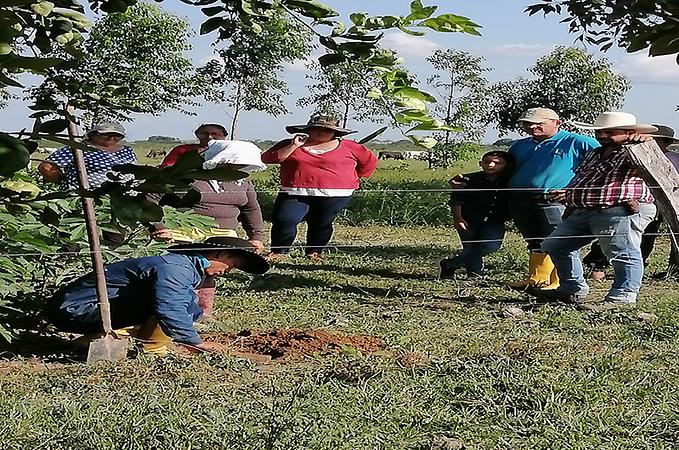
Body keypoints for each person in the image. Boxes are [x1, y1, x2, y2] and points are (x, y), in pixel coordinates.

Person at [45, 237, 270, 355]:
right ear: (221, 254)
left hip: (85, 307)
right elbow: (169, 306)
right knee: (173, 303)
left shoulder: (184, 267)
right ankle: (153, 349)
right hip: (75, 310)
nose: (228, 270)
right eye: (233, 264)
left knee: (189, 305)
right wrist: (197, 342)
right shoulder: (176, 267)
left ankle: (109, 338)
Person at [534, 112, 657, 308]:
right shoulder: (596, 152)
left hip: (619, 209)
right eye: (599, 131)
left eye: (609, 132)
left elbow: (653, 163)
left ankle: (623, 298)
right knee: (555, 245)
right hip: (585, 209)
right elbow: (584, 177)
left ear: (629, 133)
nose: (602, 135)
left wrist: (644, 143)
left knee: (622, 252)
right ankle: (571, 289)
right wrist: (571, 199)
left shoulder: (636, 149)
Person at [153, 139, 267, 319]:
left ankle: (202, 311)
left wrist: (256, 236)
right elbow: (149, 198)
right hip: (185, 231)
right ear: (219, 159)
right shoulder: (184, 175)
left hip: (223, 236)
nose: (237, 168)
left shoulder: (242, 181)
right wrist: (157, 227)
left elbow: (251, 208)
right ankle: (178, 312)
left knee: (210, 271)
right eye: (234, 164)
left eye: (242, 165)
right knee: (184, 271)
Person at [503, 107, 600, 290]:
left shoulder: (578, 142)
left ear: (556, 122)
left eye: (538, 123)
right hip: (520, 199)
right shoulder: (518, 145)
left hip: (553, 200)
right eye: (527, 123)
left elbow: (602, 167)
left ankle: (558, 281)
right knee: (533, 240)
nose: (532, 127)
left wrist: (574, 190)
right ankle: (537, 277)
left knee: (558, 240)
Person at [261, 115, 378, 259]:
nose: (321, 132)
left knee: (321, 223)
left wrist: (353, 177)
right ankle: (279, 252)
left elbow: (369, 162)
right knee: (285, 219)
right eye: (317, 128)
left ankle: (314, 252)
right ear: (308, 129)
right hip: (295, 192)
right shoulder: (290, 143)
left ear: (335, 132)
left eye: (327, 130)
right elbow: (268, 158)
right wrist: (294, 146)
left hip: (335, 194)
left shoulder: (351, 147)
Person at [583, 124, 679, 279]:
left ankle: (645, 267)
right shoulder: (632, 151)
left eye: (657, 140)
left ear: (666, 142)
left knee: (649, 235)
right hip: (639, 198)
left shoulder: (674, 158)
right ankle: (598, 264)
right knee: (615, 232)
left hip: (667, 200)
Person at [439, 150, 515, 278]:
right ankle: (475, 274)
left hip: (494, 220)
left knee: (491, 246)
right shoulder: (469, 179)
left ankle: (450, 263)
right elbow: (456, 201)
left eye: (497, 163)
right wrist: (458, 219)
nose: (490, 165)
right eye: (486, 162)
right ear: (480, 163)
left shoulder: (511, 180)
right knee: (470, 247)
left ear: (506, 165)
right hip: (469, 219)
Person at [38, 122, 136, 191]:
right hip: (88, 196)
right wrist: (62, 181)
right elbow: (46, 167)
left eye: (117, 135)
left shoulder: (127, 150)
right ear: (92, 135)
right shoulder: (78, 148)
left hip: (123, 197)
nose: (112, 138)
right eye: (106, 135)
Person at [160, 123, 228, 166]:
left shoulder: (229, 151)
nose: (209, 137)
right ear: (197, 135)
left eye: (215, 134)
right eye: (204, 134)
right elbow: (166, 167)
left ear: (223, 136)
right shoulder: (182, 150)